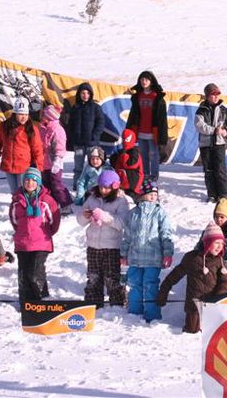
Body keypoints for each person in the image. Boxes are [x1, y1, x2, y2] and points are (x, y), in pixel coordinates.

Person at [157, 222, 227, 333]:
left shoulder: (221, 262)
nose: (220, 246)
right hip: (194, 306)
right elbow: (173, 277)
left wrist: (217, 298)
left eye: (222, 243)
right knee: (192, 331)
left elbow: (225, 283)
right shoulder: (192, 258)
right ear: (207, 242)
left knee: (211, 332)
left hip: (213, 306)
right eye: (216, 243)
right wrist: (163, 292)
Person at [120, 180, 174, 323]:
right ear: (142, 195)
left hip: (153, 258)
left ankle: (152, 313)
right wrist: (124, 254)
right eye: (150, 194)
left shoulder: (159, 213)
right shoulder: (133, 214)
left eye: (155, 194)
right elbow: (128, 236)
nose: (152, 196)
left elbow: (166, 234)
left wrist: (168, 253)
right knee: (134, 284)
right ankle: (135, 311)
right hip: (135, 258)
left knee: (150, 284)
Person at [76, 170, 129, 309]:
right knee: (93, 276)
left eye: (107, 187)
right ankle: (93, 302)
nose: (103, 190)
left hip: (112, 246)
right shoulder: (92, 198)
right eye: (101, 187)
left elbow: (122, 223)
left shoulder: (121, 201)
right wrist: (85, 216)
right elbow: (80, 221)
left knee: (112, 277)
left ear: (114, 186)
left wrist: (104, 216)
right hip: (93, 245)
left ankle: (117, 302)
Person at [9, 167, 60, 302]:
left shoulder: (46, 200)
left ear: (38, 182)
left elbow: (54, 221)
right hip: (23, 243)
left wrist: (47, 234)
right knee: (24, 274)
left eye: (33, 180)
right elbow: (14, 220)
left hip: (41, 243)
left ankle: (41, 298)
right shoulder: (16, 200)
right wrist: (21, 232)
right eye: (27, 180)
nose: (30, 183)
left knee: (35, 272)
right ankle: (26, 301)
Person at [0, 97, 44, 194]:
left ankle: (25, 208)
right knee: (14, 192)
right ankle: (16, 207)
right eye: (20, 114)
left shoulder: (31, 128)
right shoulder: (4, 126)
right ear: (15, 114)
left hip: (24, 167)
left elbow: (37, 148)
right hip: (8, 166)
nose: (23, 117)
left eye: (26, 114)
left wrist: (38, 165)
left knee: (24, 192)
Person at [194, 83, 227, 202]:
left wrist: (226, 131)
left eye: (218, 94)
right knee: (208, 170)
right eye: (213, 94)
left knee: (220, 168)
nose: (216, 96)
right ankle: (212, 194)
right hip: (205, 144)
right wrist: (214, 130)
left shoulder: (224, 110)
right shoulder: (201, 110)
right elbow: (199, 125)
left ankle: (224, 194)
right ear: (207, 96)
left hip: (219, 144)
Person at [125, 70, 169, 181]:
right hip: (140, 132)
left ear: (151, 81)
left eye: (146, 79)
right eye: (142, 80)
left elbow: (162, 120)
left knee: (154, 156)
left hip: (153, 132)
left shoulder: (158, 97)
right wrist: (129, 130)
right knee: (143, 155)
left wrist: (162, 137)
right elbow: (133, 115)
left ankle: (154, 176)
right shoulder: (137, 97)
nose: (144, 82)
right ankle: (144, 175)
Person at [68, 82, 105, 189]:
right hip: (78, 143)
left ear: (91, 94)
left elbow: (101, 122)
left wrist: (95, 135)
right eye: (83, 93)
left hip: (91, 143)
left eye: (87, 93)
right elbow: (70, 124)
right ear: (79, 94)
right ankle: (77, 184)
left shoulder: (96, 107)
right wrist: (73, 137)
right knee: (78, 166)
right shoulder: (75, 107)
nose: (85, 95)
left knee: (93, 165)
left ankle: (92, 185)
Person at [39, 104, 73, 211]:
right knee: (46, 186)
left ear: (50, 117)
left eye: (44, 114)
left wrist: (57, 160)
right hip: (43, 163)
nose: (42, 116)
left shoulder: (57, 130)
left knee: (56, 185)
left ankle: (66, 204)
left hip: (54, 163)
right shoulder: (42, 127)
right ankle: (52, 203)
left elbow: (60, 146)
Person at [110, 129, 144, 201]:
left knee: (129, 202)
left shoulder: (135, 152)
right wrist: (114, 157)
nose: (125, 141)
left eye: (127, 139)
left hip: (132, 186)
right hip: (121, 184)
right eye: (124, 139)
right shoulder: (122, 151)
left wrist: (123, 155)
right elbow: (115, 164)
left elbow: (131, 164)